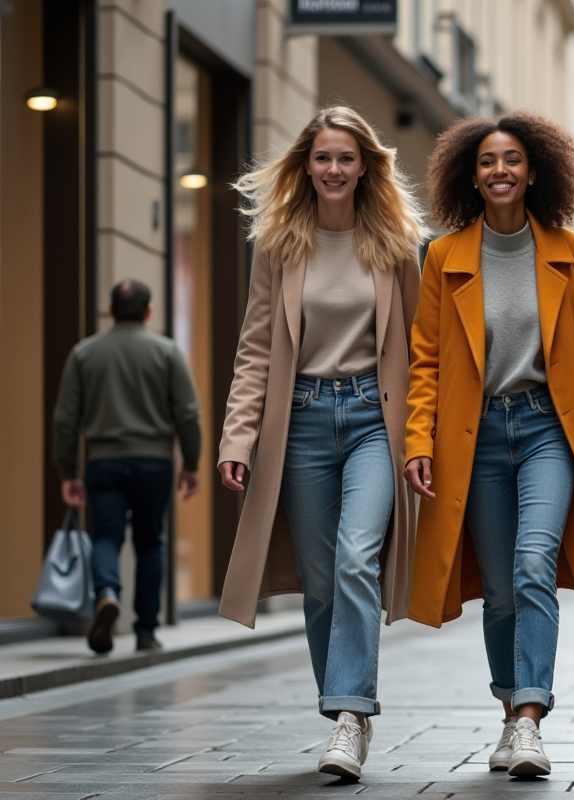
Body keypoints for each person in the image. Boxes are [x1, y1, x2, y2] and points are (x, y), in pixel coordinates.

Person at [216, 107, 426, 780]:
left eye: (345, 158)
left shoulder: (396, 242)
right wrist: (238, 438)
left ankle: (350, 716)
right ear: (305, 166)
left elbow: (422, 350)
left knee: (356, 558)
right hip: (301, 422)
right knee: (319, 582)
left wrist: (423, 435)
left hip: (372, 417)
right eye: (323, 158)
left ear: (366, 165)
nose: (334, 169)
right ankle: (343, 705)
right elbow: (254, 349)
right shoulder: (281, 244)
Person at [403, 111, 574, 778]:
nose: (500, 170)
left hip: (548, 428)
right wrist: (417, 439)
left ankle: (529, 719)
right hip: (476, 435)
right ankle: (507, 708)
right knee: (498, 591)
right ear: (472, 175)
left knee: (532, 565)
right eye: (489, 161)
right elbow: (425, 360)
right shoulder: (443, 255)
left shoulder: (568, 251)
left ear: (533, 171)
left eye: (513, 159)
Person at [53, 279, 201, 654]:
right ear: (148, 311)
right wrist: (192, 462)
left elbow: (66, 418)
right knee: (151, 542)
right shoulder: (166, 352)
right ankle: (146, 632)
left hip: (103, 462)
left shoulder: (84, 354)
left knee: (106, 536)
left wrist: (68, 470)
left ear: (111, 309)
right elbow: (187, 412)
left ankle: (106, 591)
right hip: (154, 462)